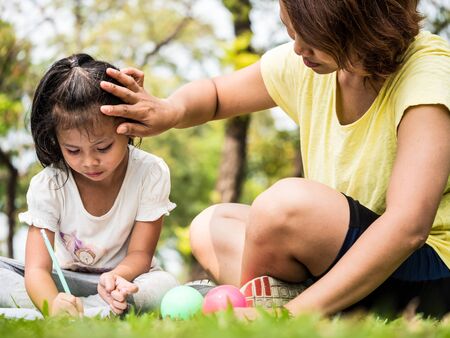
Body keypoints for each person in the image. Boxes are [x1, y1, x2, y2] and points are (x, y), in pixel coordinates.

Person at [100, 0, 449, 318]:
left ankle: (277, 306)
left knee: (283, 207)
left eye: (309, 35)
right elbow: (218, 95)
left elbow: (407, 228)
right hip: (345, 255)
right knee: (210, 226)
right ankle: (307, 302)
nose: (297, 47)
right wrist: (171, 110)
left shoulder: (427, 77)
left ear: (358, 25)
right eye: (290, 30)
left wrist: (290, 316)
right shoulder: (317, 63)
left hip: (426, 271)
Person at [0, 54, 178, 317]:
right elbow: (37, 269)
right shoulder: (50, 184)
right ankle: (88, 311)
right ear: (57, 141)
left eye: (103, 147)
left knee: (164, 286)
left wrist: (116, 278)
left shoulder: (150, 172)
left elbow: (141, 254)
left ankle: (98, 307)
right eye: (73, 150)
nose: (90, 161)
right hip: (64, 281)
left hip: (125, 280)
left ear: (127, 128)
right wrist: (52, 303)